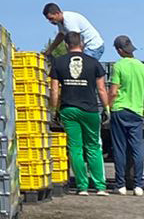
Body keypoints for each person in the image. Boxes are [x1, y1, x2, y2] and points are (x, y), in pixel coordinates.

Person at [48, 31, 112, 195]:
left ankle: (82, 186)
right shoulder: (94, 63)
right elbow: (101, 90)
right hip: (90, 109)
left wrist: (54, 110)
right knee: (93, 147)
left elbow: (54, 90)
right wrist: (106, 108)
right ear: (82, 44)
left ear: (65, 45)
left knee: (75, 148)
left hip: (68, 109)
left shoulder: (58, 63)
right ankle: (99, 186)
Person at [107, 35, 144, 195]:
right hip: (137, 112)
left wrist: (108, 107)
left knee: (120, 148)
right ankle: (138, 185)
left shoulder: (119, 66)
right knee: (137, 148)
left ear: (120, 50)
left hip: (120, 110)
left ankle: (120, 185)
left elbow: (113, 92)